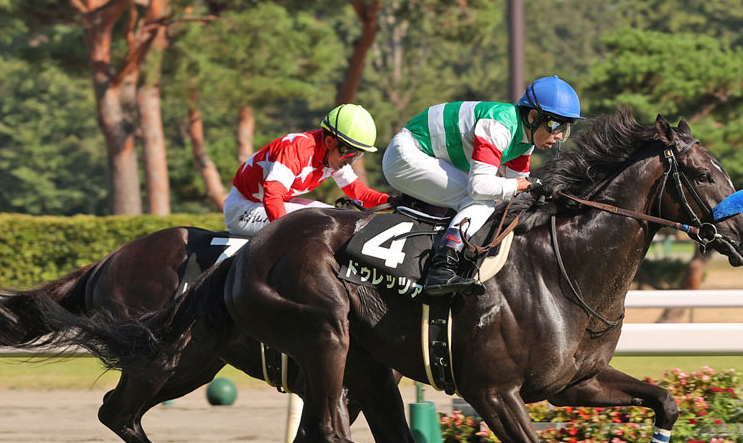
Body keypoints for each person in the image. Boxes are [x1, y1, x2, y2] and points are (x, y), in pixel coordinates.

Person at [382, 76, 583, 296]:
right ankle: (442, 267)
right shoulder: (499, 126)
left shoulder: (524, 140)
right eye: (555, 124)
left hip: (426, 155)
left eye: (565, 127)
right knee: (482, 201)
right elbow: (480, 187)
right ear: (533, 116)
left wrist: (545, 195)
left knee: (493, 198)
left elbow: (516, 196)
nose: (560, 135)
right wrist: (528, 185)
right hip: (405, 155)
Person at [223, 104, 389, 236]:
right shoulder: (298, 149)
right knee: (322, 223)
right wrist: (286, 237)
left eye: (357, 155)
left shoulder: (333, 156)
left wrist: (393, 202)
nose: (349, 161)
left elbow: (361, 195)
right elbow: (272, 195)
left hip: (269, 204)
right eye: (349, 152)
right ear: (329, 142)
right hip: (243, 208)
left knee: (339, 218)